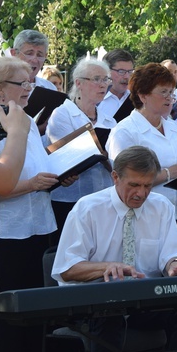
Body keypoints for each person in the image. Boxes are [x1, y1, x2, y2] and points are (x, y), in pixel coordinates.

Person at [51, 146, 177, 352]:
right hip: (94, 302)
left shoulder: (161, 206)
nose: (141, 194)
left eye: (147, 185)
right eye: (134, 185)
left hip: (144, 299)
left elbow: (171, 256)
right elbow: (67, 269)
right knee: (108, 314)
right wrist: (107, 267)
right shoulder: (87, 209)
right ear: (115, 177)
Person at [0, 57, 75, 352]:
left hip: (38, 228)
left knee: (36, 312)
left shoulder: (27, 122)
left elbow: (35, 166)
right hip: (3, 235)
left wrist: (58, 174)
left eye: (30, 82)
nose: (29, 89)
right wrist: (31, 183)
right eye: (22, 83)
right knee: (4, 317)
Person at [107, 63, 177, 224]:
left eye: (171, 92)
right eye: (163, 92)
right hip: (142, 217)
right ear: (143, 96)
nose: (169, 98)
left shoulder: (175, 129)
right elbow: (123, 181)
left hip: (175, 215)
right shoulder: (125, 132)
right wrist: (170, 173)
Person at [47, 58, 116, 242]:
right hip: (69, 200)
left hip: (103, 200)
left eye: (106, 80)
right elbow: (65, 157)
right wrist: (100, 152)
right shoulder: (62, 114)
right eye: (97, 79)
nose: (103, 85)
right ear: (79, 83)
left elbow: (118, 161)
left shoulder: (110, 121)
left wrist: (107, 157)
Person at [98, 48, 135, 120]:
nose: (127, 76)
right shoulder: (95, 102)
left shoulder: (138, 100)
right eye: (121, 71)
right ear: (107, 72)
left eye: (130, 71)